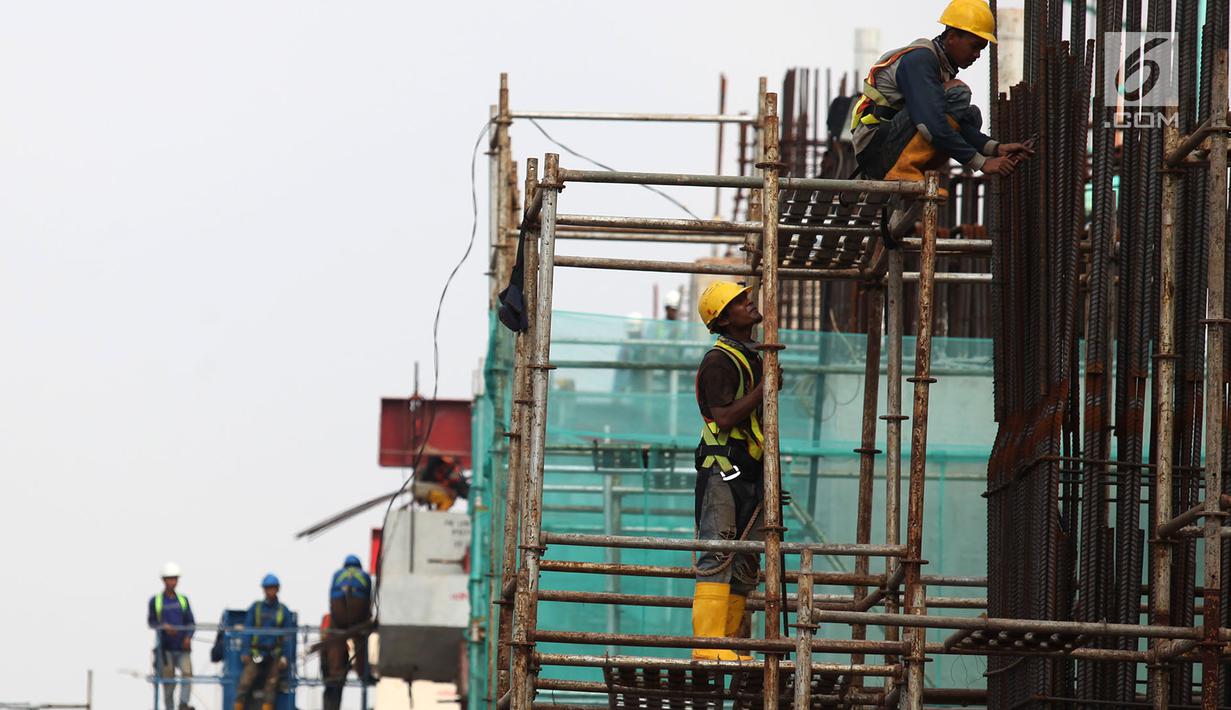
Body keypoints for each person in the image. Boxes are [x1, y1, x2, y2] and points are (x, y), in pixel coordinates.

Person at [850, 0, 1034, 237]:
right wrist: (980, 163)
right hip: (878, 152)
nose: (977, 55)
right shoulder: (921, 60)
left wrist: (995, 149)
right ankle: (902, 170)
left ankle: (909, 169)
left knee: (970, 114)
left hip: (888, 146)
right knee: (957, 94)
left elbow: (951, 125)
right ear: (951, 37)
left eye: (982, 49)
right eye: (974, 46)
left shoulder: (937, 66)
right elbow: (931, 125)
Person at [689, 281, 778, 660]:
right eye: (740, 302)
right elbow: (723, 417)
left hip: (748, 471)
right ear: (724, 318)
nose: (750, 302)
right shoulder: (718, 361)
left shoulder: (751, 356)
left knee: (744, 558)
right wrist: (765, 388)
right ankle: (707, 646)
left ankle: (726, 642)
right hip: (722, 469)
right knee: (720, 549)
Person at [235, 574, 294, 710]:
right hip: (257, 654)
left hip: (274, 655)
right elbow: (248, 630)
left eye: (273, 588)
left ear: (277, 589)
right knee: (245, 681)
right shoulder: (256, 608)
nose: (270, 591)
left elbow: (288, 637)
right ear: (264, 590)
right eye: (268, 588)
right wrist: (245, 651)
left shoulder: (282, 611)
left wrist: (285, 657)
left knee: (271, 684)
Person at [322, 555, 373, 710]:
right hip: (358, 609)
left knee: (336, 638)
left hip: (338, 609)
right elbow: (369, 601)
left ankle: (336, 672)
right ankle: (363, 672)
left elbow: (331, 599)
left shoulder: (337, 575)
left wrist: (337, 619)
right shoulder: (365, 576)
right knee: (361, 639)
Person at [148, 562, 195, 710]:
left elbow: (191, 623)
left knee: (187, 674)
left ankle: (183, 704)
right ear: (164, 580)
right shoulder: (156, 601)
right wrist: (164, 627)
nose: (172, 582)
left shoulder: (183, 600)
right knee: (168, 683)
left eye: (175, 579)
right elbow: (152, 621)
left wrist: (188, 637)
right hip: (165, 649)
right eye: (169, 579)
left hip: (182, 648)